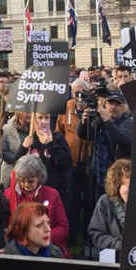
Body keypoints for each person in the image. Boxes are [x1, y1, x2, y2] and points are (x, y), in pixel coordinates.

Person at [5, 154, 70, 256]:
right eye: (22, 180)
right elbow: (6, 227)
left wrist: (38, 238)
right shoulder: (9, 194)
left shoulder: (52, 194)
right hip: (18, 250)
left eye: (30, 181)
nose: (26, 184)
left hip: (49, 249)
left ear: (39, 177)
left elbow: (63, 228)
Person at [56, 79, 94, 252]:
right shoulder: (67, 106)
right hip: (70, 163)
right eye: (75, 92)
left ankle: (88, 238)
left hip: (88, 164)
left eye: (82, 92)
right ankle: (71, 237)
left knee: (88, 201)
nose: (78, 96)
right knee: (71, 202)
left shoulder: (92, 109)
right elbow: (59, 130)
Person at [77, 89, 133, 196]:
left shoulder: (128, 122)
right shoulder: (99, 120)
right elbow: (84, 135)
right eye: (110, 103)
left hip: (117, 176)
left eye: (117, 104)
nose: (113, 107)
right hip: (98, 172)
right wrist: (84, 122)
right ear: (105, 105)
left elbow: (120, 138)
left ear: (124, 107)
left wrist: (107, 119)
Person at [16, 112, 73, 201]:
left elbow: (65, 163)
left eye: (47, 118)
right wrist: (23, 148)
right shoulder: (31, 138)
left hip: (55, 191)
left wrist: (50, 145)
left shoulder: (58, 138)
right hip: (33, 192)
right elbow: (17, 165)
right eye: (40, 118)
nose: (44, 121)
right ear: (34, 120)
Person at [88, 158, 131, 252]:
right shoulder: (105, 202)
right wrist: (118, 244)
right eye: (125, 181)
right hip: (115, 254)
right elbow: (96, 235)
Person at [0, 111, 31, 187]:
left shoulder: (38, 131)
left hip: (31, 176)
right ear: (18, 112)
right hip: (11, 175)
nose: (29, 113)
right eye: (26, 111)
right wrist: (23, 148)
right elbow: (6, 155)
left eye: (31, 111)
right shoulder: (7, 129)